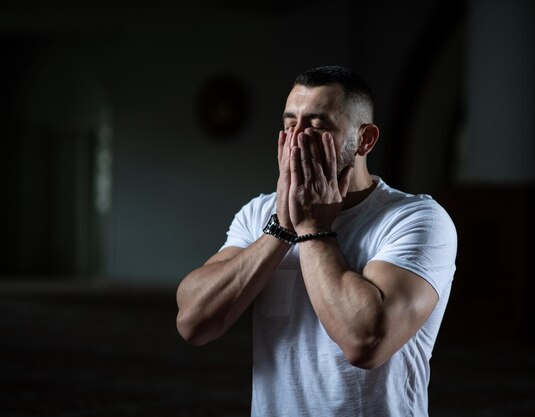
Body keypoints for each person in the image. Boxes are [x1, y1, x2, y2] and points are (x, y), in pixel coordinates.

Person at [176, 65, 457, 417]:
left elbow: (365, 343)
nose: (296, 138)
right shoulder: (259, 213)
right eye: (290, 123)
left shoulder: (417, 219)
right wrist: (281, 228)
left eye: (316, 126)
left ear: (365, 140)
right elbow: (193, 322)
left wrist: (311, 228)